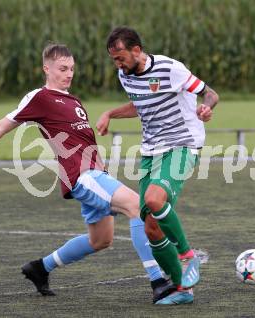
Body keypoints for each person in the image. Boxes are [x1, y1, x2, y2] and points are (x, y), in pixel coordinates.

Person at [0, 43, 176, 303]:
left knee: (101, 240)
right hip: (82, 177)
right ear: (46, 69)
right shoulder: (40, 97)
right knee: (138, 208)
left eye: (71, 68)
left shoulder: (73, 100)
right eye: (62, 68)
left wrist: (103, 168)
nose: (68, 73)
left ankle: (40, 268)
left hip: (95, 174)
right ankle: (159, 282)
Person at [97, 26, 219, 305]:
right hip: (151, 151)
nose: (117, 64)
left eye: (120, 57)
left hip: (182, 144)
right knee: (151, 228)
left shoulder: (170, 68)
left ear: (137, 50)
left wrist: (206, 107)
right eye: (114, 59)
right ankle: (182, 290)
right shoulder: (124, 74)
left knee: (153, 199)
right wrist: (109, 113)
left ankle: (188, 257)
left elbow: (209, 93)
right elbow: (139, 105)